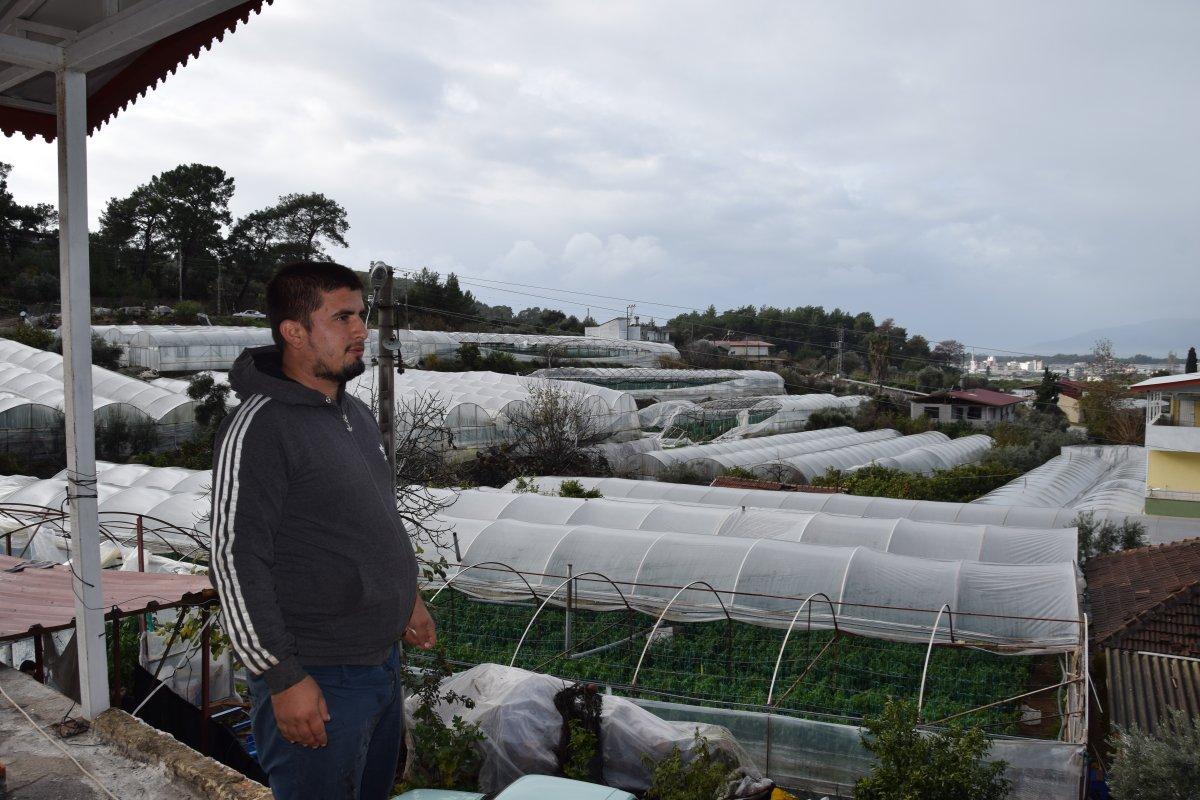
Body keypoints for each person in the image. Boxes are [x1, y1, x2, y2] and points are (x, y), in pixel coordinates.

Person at [209, 261, 435, 800]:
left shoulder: (351, 413)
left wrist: (408, 597)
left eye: (362, 315)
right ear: (294, 331)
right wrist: (282, 677)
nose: (362, 330)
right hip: (319, 675)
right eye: (343, 318)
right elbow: (234, 559)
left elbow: (373, 520)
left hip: (380, 661)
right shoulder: (260, 428)